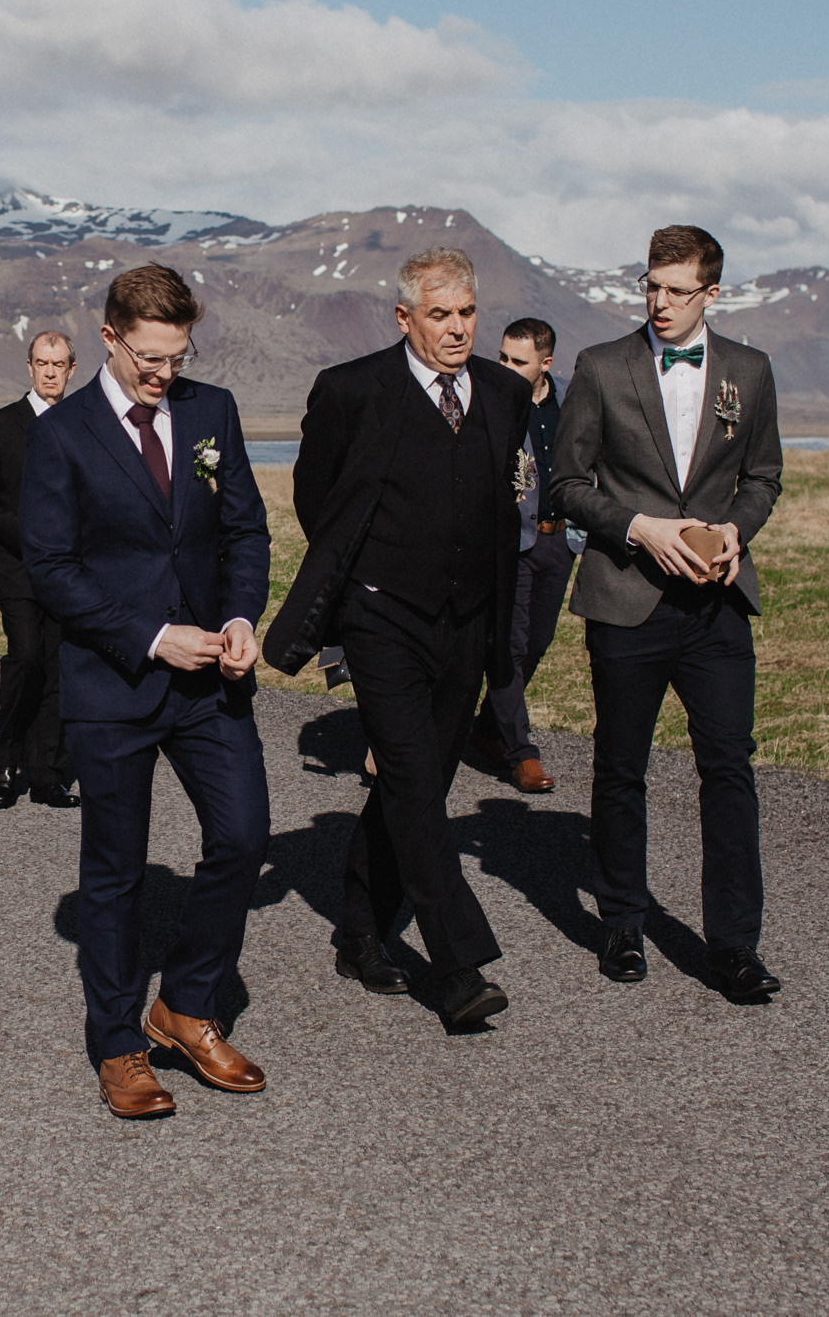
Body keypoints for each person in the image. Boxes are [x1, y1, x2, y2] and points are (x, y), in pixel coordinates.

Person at [22, 265, 272, 1120]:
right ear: (111, 338)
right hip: (114, 682)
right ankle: (119, 1041)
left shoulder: (215, 412)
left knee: (244, 834)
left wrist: (241, 616)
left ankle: (187, 1003)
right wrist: (149, 635)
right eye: (151, 359)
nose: (166, 374)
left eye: (179, 355)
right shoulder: (60, 436)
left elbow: (244, 528)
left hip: (210, 681)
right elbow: (50, 569)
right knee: (116, 872)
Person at [262, 247, 530, 1030]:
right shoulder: (352, 391)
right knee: (413, 777)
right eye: (439, 315)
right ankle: (457, 967)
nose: (456, 329)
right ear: (404, 317)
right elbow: (319, 499)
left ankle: (357, 929)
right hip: (382, 617)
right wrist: (367, 580)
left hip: (467, 621)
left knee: (417, 786)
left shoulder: (507, 393)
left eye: (467, 313)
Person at [547, 223, 785, 1001]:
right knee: (621, 767)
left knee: (729, 769)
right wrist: (637, 527)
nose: (659, 302)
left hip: (716, 606)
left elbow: (763, 477)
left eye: (677, 290)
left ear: (712, 293)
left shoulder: (749, 371)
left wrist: (734, 529)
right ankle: (622, 923)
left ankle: (735, 946)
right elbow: (566, 482)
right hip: (626, 596)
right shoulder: (602, 366)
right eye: (651, 285)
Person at [0, 330, 81, 811]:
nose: (50, 371)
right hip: (18, 568)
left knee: (58, 666)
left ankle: (48, 773)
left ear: (72, 370)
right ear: (28, 366)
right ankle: (7, 763)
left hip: (73, 571)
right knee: (27, 658)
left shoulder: (86, 424)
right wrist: (30, 535)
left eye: (59, 364)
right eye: (42, 362)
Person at [472, 316, 574, 795]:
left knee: (537, 641)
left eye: (519, 361)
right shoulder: (488, 398)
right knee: (509, 645)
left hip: (561, 540)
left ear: (545, 364)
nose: (506, 367)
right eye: (502, 357)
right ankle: (521, 753)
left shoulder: (572, 402)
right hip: (510, 541)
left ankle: (488, 729)